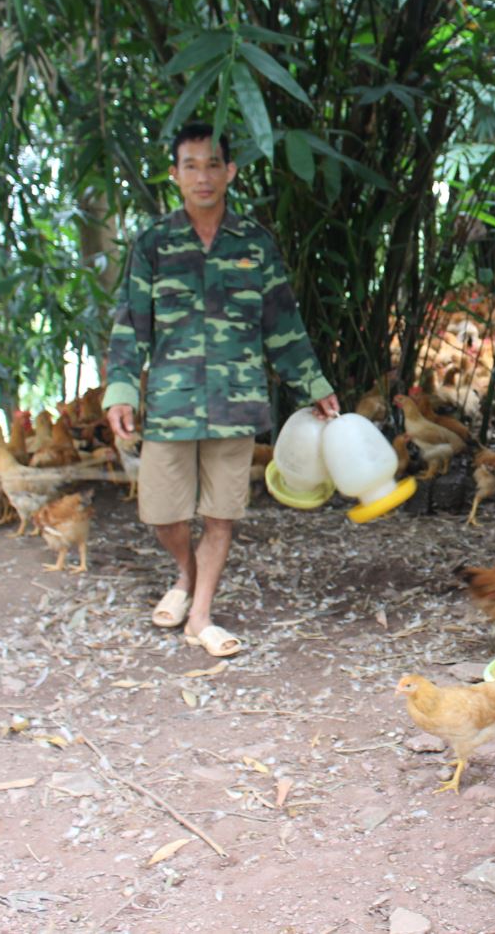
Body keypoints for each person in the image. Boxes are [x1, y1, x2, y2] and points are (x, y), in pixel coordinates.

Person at [103, 122, 340, 657]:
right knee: (162, 515)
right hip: (170, 401)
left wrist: (312, 383)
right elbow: (131, 321)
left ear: (230, 171)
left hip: (235, 401)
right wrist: (121, 388)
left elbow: (282, 320)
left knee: (220, 514)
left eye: (214, 164)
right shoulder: (154, 243)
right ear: (175, 175)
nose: (203, 176)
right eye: (191, 166)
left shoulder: (253, 244)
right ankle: (185, 577)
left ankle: (200, 615)